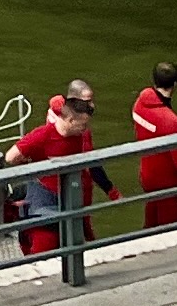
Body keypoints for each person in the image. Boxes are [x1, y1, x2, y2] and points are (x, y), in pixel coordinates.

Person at [11, 78, 106, 255]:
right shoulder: (56, 131)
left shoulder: (73, 128)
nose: (91, 106)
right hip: (52, 193)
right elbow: (14, 155)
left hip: (69, 190)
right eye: (87, 102)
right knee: (47, 241)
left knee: (75, 233)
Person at [133, 62, 177, 227]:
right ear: (175, 84)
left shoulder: (139, 105)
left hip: (147, 175)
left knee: (150, 224)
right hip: (167, 182)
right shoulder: (170, 121)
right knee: (171, 228)